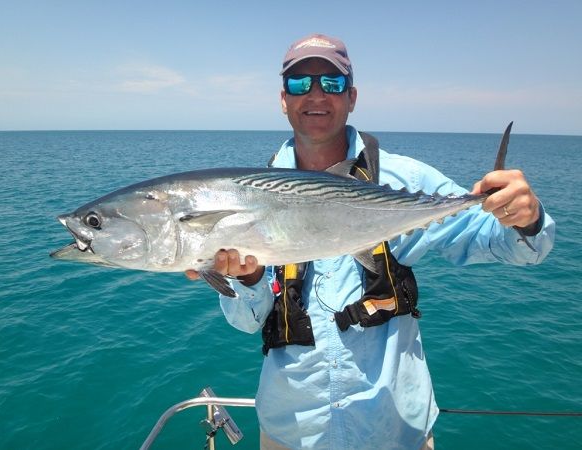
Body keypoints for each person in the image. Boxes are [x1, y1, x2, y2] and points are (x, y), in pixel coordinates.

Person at [186, 33, 555, 450]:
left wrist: (524, 217)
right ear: (283, 99)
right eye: (298, 83)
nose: (315, 94)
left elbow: (510, 246)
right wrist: (250, 279)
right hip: (292, 433)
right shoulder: (246, 196)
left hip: (394, 432)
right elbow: (246, 322)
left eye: (331, 82)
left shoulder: (405, 181)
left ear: (352, 96)